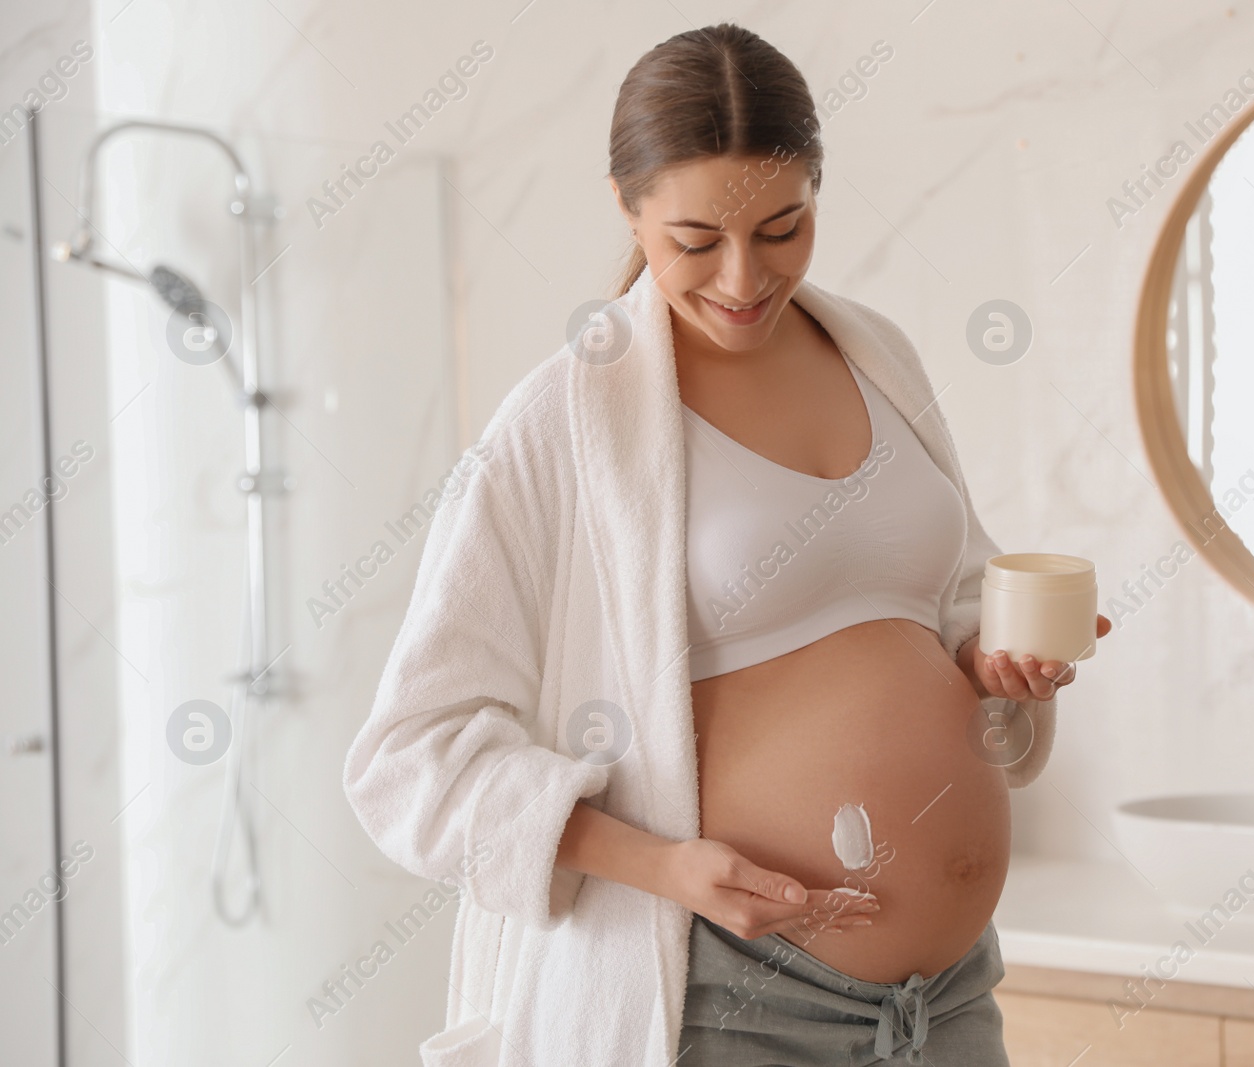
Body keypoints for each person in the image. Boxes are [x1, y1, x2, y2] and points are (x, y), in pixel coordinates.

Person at [344, 22, 1108, 1067]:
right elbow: (407, 757)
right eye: (696, 241)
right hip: (729, 1003)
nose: (745, 278)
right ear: (626, 204)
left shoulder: (875, 353)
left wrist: (993, 662)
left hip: (953, 999)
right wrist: (658, 864)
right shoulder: (564, 422)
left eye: (783, 227)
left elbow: (951, 594)